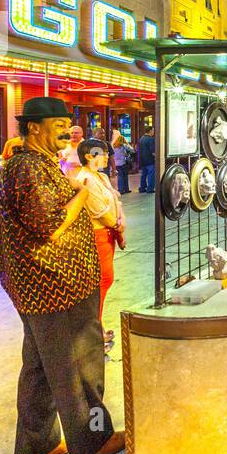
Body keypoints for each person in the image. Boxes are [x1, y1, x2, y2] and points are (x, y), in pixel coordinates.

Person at [0, 97, 124, 454]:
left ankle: (35, 447)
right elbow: (49, 224)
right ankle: (93, 440)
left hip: (43, 285)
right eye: (58, 124)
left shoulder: (32, 165)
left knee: (39, 367)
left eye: (68, 124)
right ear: (34, 127)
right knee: (81, 366)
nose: (67, 131)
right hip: (55, 285)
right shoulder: (28, 168)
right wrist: (82, 193)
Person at [71, 138, 125, 345]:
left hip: (108, 233)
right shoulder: (86, 178)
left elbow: (114, 200)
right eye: (102, 153)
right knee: (101, 282)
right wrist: (116, 224)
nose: (107, 157)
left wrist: (120, 221)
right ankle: (93, 332)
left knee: (105, 280)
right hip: (98, 235)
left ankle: (96, 326)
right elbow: (99, 210)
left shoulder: (100, 176)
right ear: (88, 156)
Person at [111, 130, 132, 195]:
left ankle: (120, 189)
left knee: (120, 177)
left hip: (116, 164)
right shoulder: (123, 146)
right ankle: (126, 189)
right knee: (125, 176)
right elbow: (132, 150)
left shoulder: (113, 146)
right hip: (123, 163)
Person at [137, 127, 156, 193]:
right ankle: (150, 189)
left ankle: (142, 188)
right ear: (150, 131)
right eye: (153, 130)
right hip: (150, 160)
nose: (154, 132)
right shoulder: (151, 139)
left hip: (142, 160)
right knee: (151, 175)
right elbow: (153, 152)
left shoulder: (141, 138)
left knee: (143, 175)